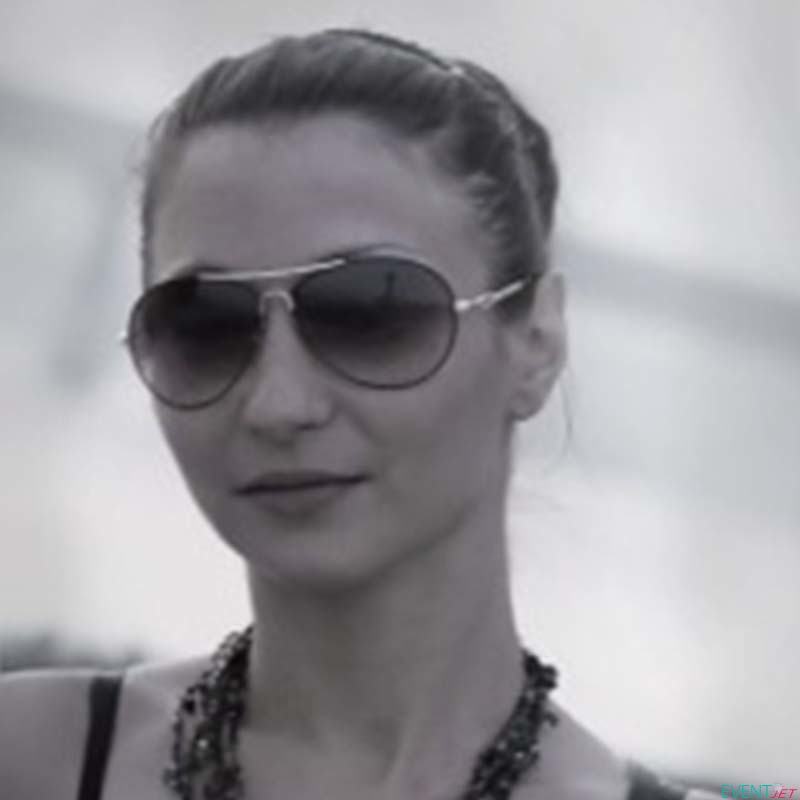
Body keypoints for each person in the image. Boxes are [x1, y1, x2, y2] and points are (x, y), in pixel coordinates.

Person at [0, 29, 716, 800]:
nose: (279, 404)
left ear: (535, 343)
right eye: (204, 325)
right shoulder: (28, 762)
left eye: (372, 311)